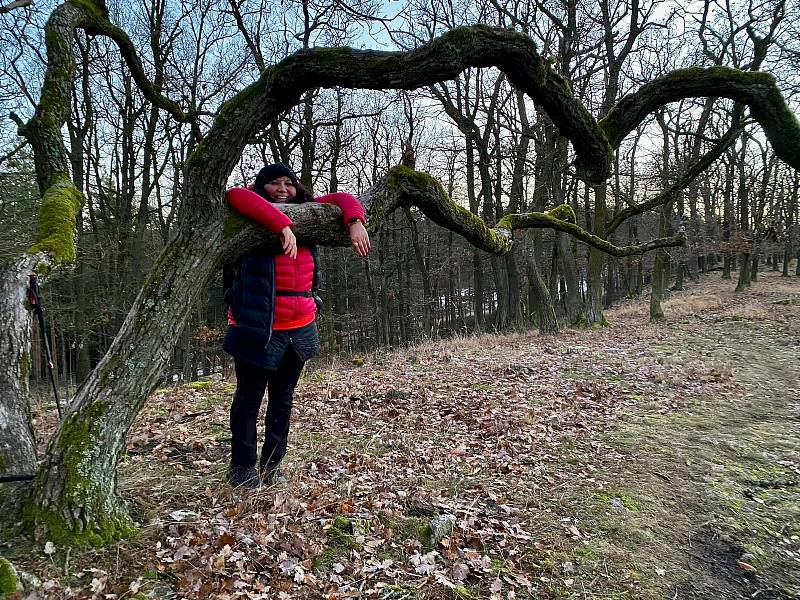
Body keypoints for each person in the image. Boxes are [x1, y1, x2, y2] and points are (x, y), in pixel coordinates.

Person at [223, 163, 370, 488]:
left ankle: (272, 466)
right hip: (256, 327)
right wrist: (282, 225)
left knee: (283, 398)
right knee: (249, 400)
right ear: (262, 187)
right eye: (273, 183)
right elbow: (235, 194)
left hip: (300, 325)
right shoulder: (246, 215)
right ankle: (242, 469)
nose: (281, 189)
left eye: (287, 183)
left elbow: (344, 199)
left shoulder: (311, 211)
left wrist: (355, 221)